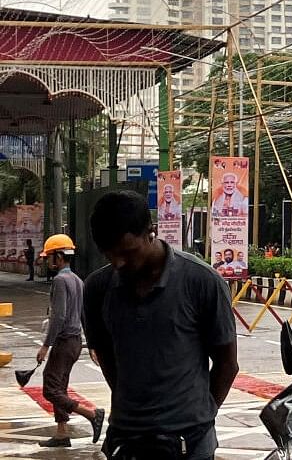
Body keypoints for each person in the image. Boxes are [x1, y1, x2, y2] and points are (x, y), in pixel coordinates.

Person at [83, 190, 238, 460]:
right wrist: (130, 403)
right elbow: (106, 355)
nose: (118, 263)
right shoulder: (97, 288)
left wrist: (201, 414)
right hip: (125, 436)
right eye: (109, 255)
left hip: (189, 441)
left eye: (127, 252)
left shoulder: (201, 281)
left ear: (150, 231)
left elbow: (227, 363)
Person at [36, 234, 105, 448]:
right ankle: (61, 432)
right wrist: (91, 345)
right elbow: (85, 315)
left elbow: (59, 316)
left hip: (64, 342)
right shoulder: (77, 280)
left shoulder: (60, 281)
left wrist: (46, 346)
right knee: (60, 386)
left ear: (58, 256)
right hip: (75, 343)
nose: (48, 261)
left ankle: (92, 414)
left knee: (50, 388)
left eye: (49, 257)